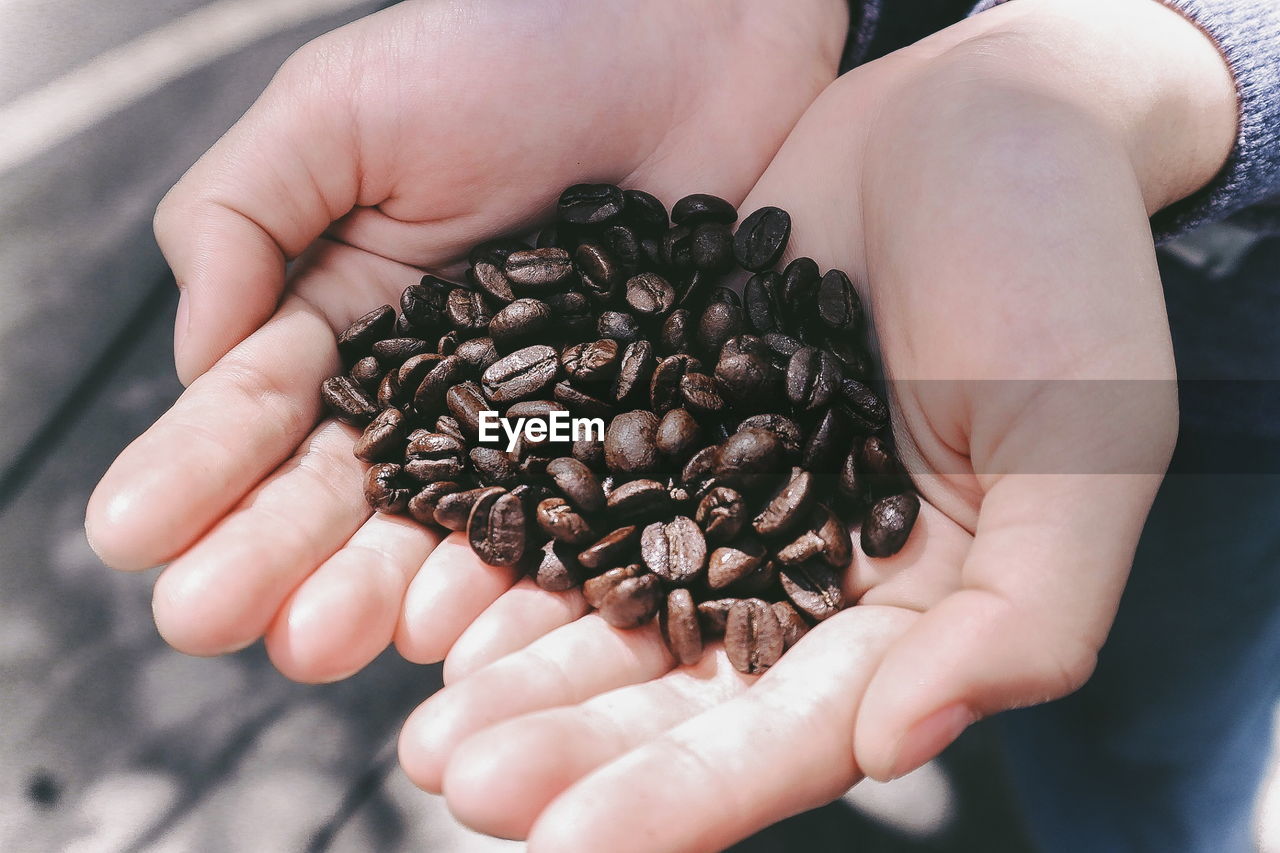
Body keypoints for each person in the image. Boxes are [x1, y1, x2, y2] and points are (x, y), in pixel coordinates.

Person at [85, 0, 1280, 850]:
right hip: (818, 93)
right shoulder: (596, 398)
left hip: (1236, 334)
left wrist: (1168, 52)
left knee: (1152, 724)